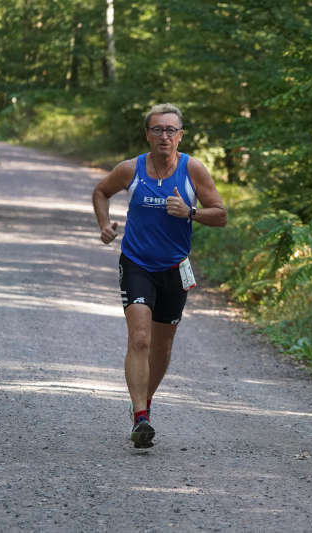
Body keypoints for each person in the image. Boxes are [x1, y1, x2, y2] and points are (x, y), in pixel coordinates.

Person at [92, 103, 227, 448]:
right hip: (136, 264)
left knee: (163, 347)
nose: (164, 136)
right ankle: (140, 416)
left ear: (180, 136)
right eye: (157, 129)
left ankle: (144, 403)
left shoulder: (193, 170)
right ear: (147, 134)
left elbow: (221, 215)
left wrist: (190, 211)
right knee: (140, 338)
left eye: (171, 130)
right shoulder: (131, 169)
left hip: (174, 269)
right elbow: (101, 191)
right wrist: (105, 225)